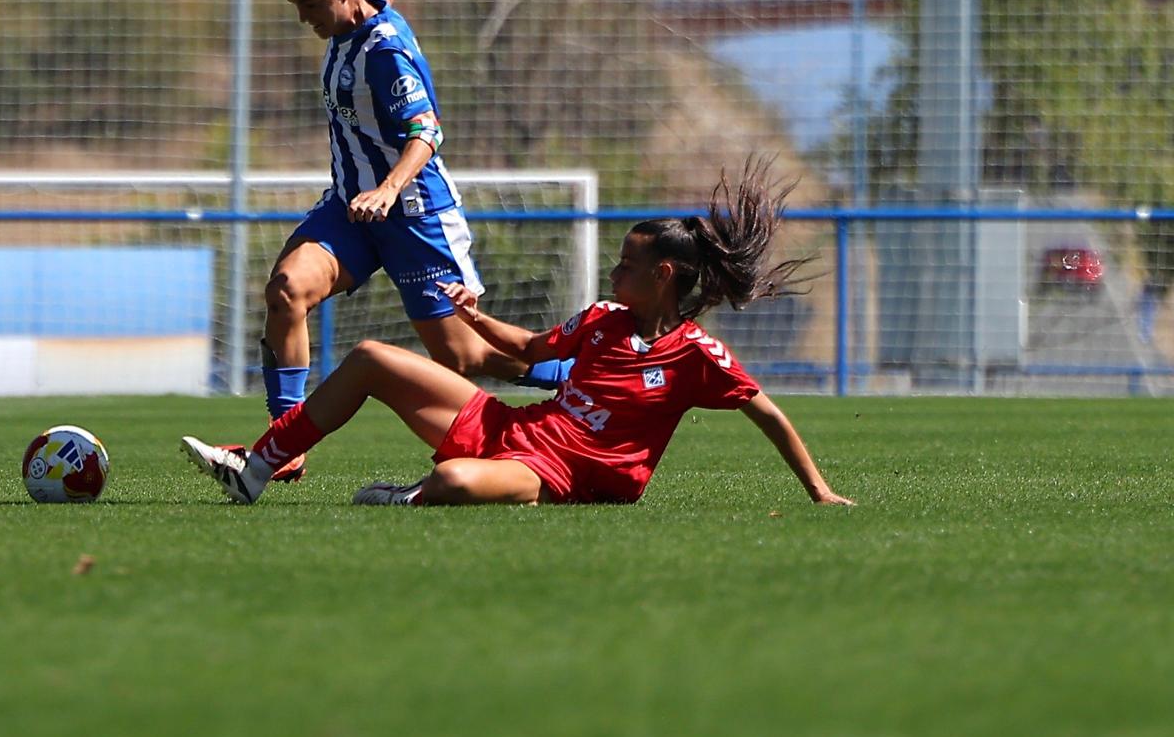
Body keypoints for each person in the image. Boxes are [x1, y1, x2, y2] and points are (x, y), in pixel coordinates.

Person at [184, 159, 851, 509]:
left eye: (627, 265)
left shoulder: (698, 355)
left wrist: (818, 490)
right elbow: (529, 350)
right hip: (517, 431)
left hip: (557, 474)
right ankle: (258, 469)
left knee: (454, 483)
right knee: (370, 358)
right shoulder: (602, 319)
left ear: (664, 276)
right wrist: (474, 318)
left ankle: (408, 497)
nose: (614, 272)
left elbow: (769, 414)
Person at [240, 0, 567, 481]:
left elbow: (426, 132)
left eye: (309, 5)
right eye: (295, 6)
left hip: (413, 211)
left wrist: (388, 189)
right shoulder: (359, 11)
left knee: (463, 356)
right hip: (353, 210)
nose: (304, 17)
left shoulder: (385, 52)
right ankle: (284, 445)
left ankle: (580, 376)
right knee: (286, 290)